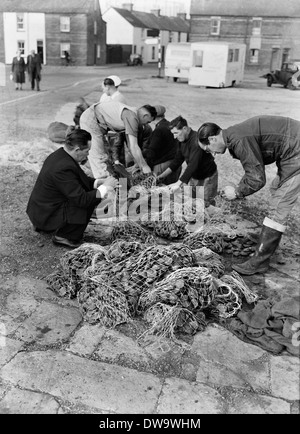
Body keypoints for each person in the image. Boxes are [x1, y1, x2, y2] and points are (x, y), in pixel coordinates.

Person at [197, 115, 300, 275]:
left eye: (208, 149)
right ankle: (268, 246)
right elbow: (253, 168)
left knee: (279, 205)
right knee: (276, 191)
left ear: (212, 139)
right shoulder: (234, 135)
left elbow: (257, 178)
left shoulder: (239, 139)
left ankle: (259, 261)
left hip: (296, 150)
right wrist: (239, 188)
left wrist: (237, 192)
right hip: (291, 148)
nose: (212, 154)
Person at [26, 126, 118, 248]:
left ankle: (46, 225)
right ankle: (64, 236)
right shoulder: (63, 168)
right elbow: (82, 200)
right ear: (77, 150)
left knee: (90, 191)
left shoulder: (60, 155)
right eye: (87, 151)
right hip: (45, 215)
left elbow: (77, 180)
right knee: (87, 201)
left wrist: (99, 182)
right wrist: (105, 188)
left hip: (40, 210)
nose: (88, 154)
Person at [79, 100, 156, 179]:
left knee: (106, 160)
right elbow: (134, 146)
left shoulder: (133, 114)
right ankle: (103, 186)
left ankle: (114, 185)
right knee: (99, 161)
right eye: (148, 122)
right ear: (145, 115)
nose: (146, 124)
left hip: (100, 124)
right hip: (92, 120)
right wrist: (144, 166)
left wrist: (138, 163)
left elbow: (131, 145)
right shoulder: (132, 117)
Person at [157, 116, 218, 207]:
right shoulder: (181, 140)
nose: (174, 137)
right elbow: (177, 160)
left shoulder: (196, 141)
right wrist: (162, 176)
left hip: (207, 177)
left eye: (176, 133)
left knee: (206, 205)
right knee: (191, 203)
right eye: (173, 134)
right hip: (193, 176)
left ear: (185, 128)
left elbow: (193, 164)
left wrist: (179, 183)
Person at [142, 105, 180, 185]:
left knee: (159, 193)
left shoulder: (159, 130)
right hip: (175, 165)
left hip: (162, 166)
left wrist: (140, 154)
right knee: (171, 192)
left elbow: (152, 152)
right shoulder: (171, 126)